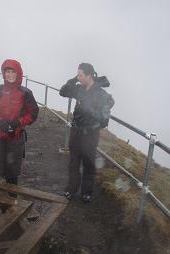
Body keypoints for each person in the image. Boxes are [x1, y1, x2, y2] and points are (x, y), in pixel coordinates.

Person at [59, 63, 114, 203]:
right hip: (76, 131)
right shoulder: (79, 89)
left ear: (89, 76)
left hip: (90, 134)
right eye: (77, 75)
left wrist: (89, 113)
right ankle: (71, 189)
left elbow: (104, 119)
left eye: (81, 75)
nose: (79, 77)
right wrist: (71, 81)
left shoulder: (102, 95)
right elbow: (63, 92)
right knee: (73, 162)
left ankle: (86, 192)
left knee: (89, 163)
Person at [0, 59, 39, 187]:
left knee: (12, 172)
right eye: (7, 71)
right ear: (3, 74)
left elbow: (33, 113)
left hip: (16, 137)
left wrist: (18, 123)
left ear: (19, 73)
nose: (10, 74)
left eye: (13, 71)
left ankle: (12, 200)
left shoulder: (25, 93)